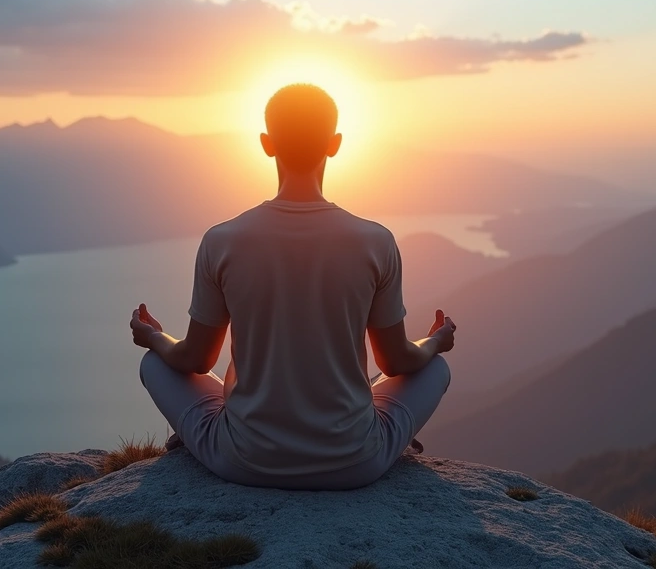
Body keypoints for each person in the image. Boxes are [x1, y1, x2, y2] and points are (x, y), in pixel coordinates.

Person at [131, 83, 455, 490]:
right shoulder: (375, 241)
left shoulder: (223, 240)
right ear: (334, 144)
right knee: (435, 370)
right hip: (356, 463)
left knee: (153, 364)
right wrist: (435, 343)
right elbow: (396, 363)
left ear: (267, 144)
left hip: (243, 461)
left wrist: (154, 336)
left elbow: (195, 359)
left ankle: (206, 438)